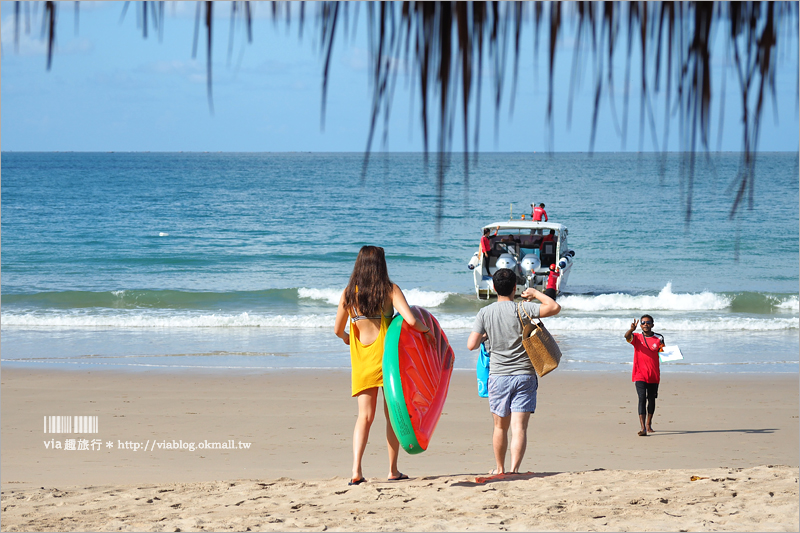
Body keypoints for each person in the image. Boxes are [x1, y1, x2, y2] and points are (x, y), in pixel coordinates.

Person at [334, 246, 434, 485]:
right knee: (392, 418)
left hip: (362, 363)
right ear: (381, 264)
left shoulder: (349, 294)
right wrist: (429, 332)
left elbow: (338, 330)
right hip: (390, 364)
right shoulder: (389, 290)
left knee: (364, 417)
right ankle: (392, 470)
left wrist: (350, 339)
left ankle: (356, 470)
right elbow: (411, 320)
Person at [466, 268, 561, 475]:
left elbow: (470, 345)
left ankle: (500, 470)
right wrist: (535, 293)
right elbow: (554, 307)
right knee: (519, 427)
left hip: (498, 376)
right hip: (524, 375)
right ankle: (514, 470)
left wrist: (486, 337)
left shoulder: (485, 312)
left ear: (493, 287)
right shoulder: (523, 310)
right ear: (515, 288)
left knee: (500, 427)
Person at [624, 315, 665, 436]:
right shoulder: (636, 337)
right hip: (639, 374)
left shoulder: (659, 337)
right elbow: (626, 337)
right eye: (643, 322)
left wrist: (671, 353)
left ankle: (648, 424)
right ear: (640, 325)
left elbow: (663, 353)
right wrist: (631, 329)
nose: (645, 324)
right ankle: (643, 428)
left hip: (653, 374)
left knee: (651, 399)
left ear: (652, 324)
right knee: (642, 398)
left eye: (648, 322)